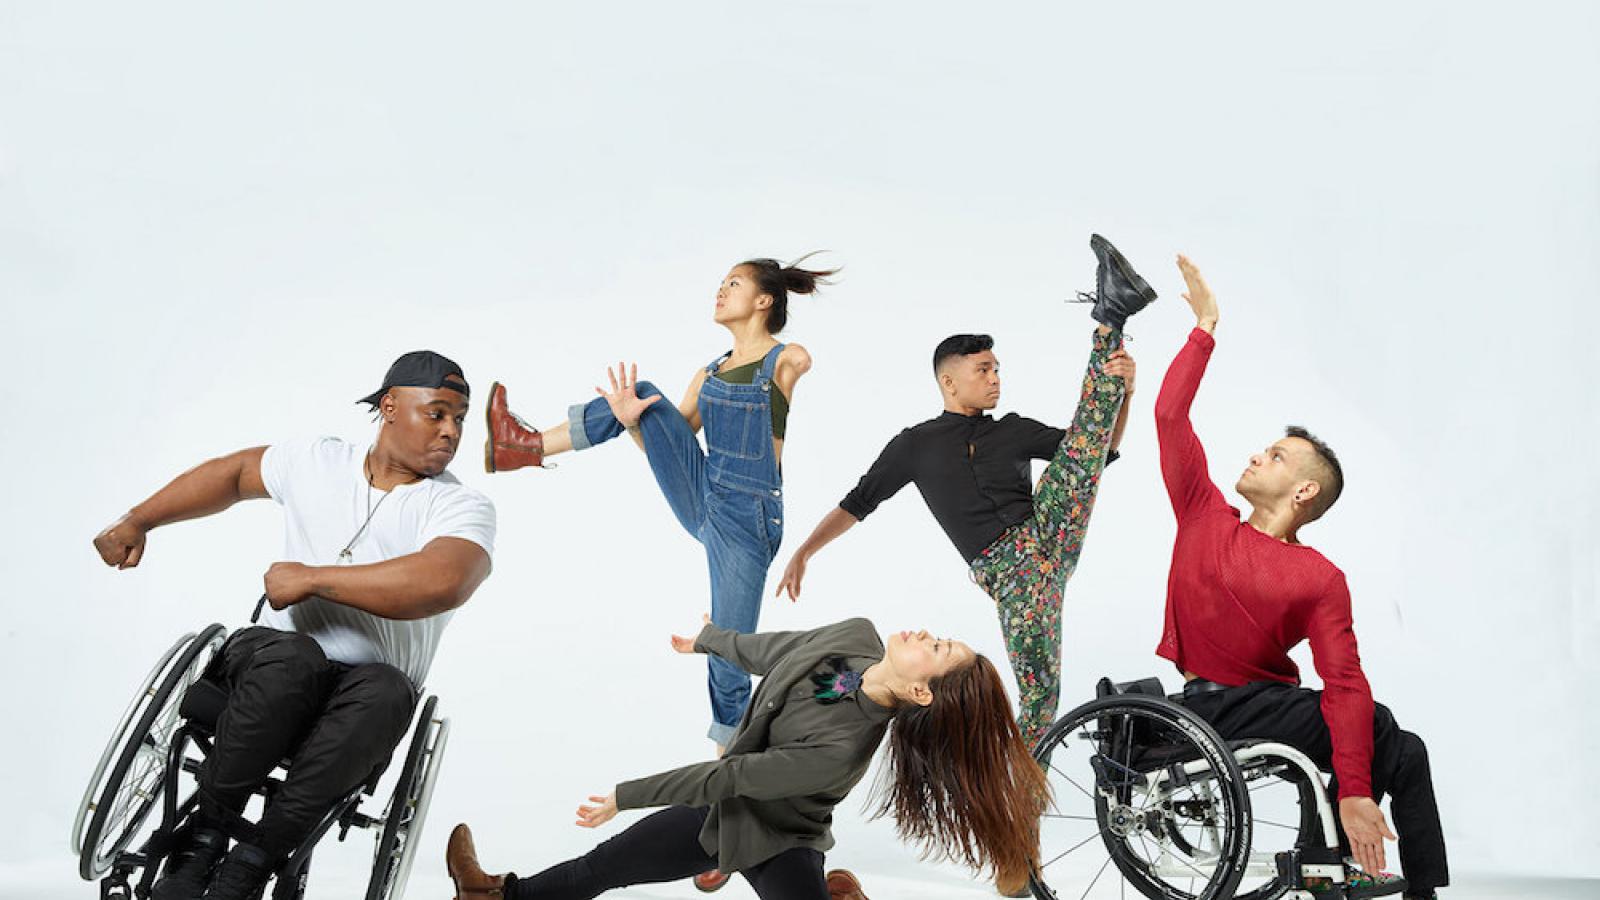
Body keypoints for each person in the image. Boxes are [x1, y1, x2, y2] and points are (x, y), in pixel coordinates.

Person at [91, 351, 496, 900]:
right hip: (274, 662)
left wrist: (314, 579)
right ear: (390, 406)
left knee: (384, 688)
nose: (452, 432)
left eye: (460, 419)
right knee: (295, 658)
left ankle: (254, 863)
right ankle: (201, 841)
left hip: (370, 691)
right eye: (439, 413)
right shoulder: (317, 461)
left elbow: (443, 580)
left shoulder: (459, 505)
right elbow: (233, 474)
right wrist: (138, 520)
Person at [774, 235, 1155, 750]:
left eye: (997, 368)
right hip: (1013, 573)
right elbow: (857, 503)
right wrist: (804, 551)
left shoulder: (1014, 428)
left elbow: (1095, 453)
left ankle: (1112, 318)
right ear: (949, 382)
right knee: (1040, 700)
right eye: (984, 370)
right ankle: (1021, 800)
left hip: (1048, 529)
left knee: (1079, 452)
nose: (996, 379)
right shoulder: (914, 446)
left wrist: (1124, 395)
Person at [1152, 256, 1447, 900]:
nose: (1258, 453)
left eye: (1277, 455)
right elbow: (1172, 418)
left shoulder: (1319, 576)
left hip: (1271, 709)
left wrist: (1359, 786)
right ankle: (1338, 856)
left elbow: (1344, 680)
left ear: (1304, 490)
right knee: (1368, 725)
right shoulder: (1204, 515)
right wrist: (1204, 327)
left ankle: (1392, 882)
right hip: (1212, 705)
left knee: (1398, 741)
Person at [483, 257, 831, 751]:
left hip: (746, 517)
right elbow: (666, 444)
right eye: (720, 283)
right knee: (642, 397)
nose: (720, 291)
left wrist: (785, 346)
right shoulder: (708, 373)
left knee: (727, 656)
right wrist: (628, 420)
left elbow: (801, 362)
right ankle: (523, 446)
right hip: (702, 490)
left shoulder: (784, 360)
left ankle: (728, 771)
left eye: (733, 283)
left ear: (763, 300)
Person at [442, 617, 1048, 900]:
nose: (926, 631)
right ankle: (491, 896)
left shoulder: (840, 750)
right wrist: (710, 642)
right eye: (939, 634)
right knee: (601, 868)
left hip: (782, 839)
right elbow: (780, 650)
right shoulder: (857, 638)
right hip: (724, 819)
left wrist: (626, 795)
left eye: (938, 647)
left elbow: (732, 773)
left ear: (921, 692)